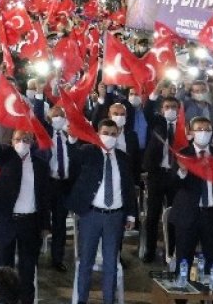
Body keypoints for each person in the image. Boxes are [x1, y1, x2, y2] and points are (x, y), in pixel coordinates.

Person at [68, 119, 136, 304]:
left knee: (111, 264)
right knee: (86, 262)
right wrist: (72, 141)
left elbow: (128, 188)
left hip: (115, 216)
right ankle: (82, 300)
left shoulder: (123, 158)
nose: (109, 137)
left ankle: (108, 300)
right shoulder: (88, 152)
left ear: (118, 134)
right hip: (91, 215)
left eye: (113, 134)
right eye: (105, 133)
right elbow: (72, 161)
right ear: (98, 133)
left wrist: (131, 214)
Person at [0, 126, 49, 304]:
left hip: (30, 223)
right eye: (18, 139)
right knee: (4, 273)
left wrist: (45, 225)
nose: (22, 143)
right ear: (11, 142)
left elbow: (44, 197)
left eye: (26, 139)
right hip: (7, 222)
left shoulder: (40, 165)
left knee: (27, 271)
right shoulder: (7, 158)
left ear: (32, 142)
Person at [171, 116, 213, 272]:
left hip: (212, 215)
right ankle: (182, 287)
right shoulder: (182, 154)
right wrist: (182, 171)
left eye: (207, 129)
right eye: (199, 129)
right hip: (188, 214)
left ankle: (210, 288)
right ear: (191, 132)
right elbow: (171, 184)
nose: (203, 133)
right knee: (184, 261)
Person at [141, 96, 181, 263]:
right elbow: (147, 111)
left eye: (174, 106)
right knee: (152, 216)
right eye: (167, 107)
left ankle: (170, 251)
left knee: (173, 215)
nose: (170, 109)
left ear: (179, 109)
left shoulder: (184, 127)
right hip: (157, 175)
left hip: (176, 177)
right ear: (162, 110)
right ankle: (150, 251)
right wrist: (154, 94)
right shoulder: (156, 123)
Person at [45, 104, 75, 272]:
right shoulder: (45, 135)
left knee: (60, 223)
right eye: (55, 115)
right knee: (42, 221)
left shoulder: (69, 137)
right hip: (48, 183)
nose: (58, 118)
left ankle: (57, 258)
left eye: (61, 115)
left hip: (64, 184)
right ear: (49, 119)